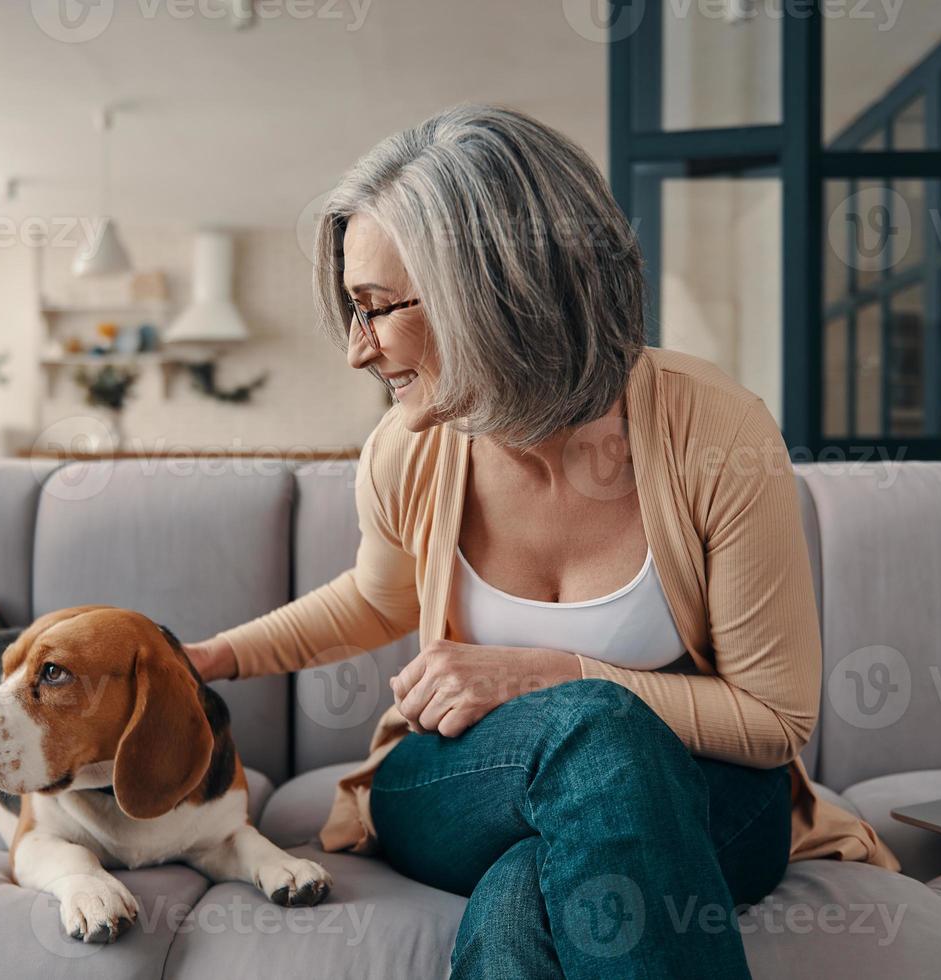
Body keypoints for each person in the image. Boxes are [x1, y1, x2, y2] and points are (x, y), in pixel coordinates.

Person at [185, 104, 896, 979]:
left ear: (489, 290)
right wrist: (212, 656)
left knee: (533, 879)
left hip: (707, 793)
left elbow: (773, 719)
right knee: (592, 747)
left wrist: (552, 673)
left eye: (374, 309)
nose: (357, 352)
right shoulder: (407, 449)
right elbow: (378, 596)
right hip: (460, 783)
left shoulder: (715, 432)